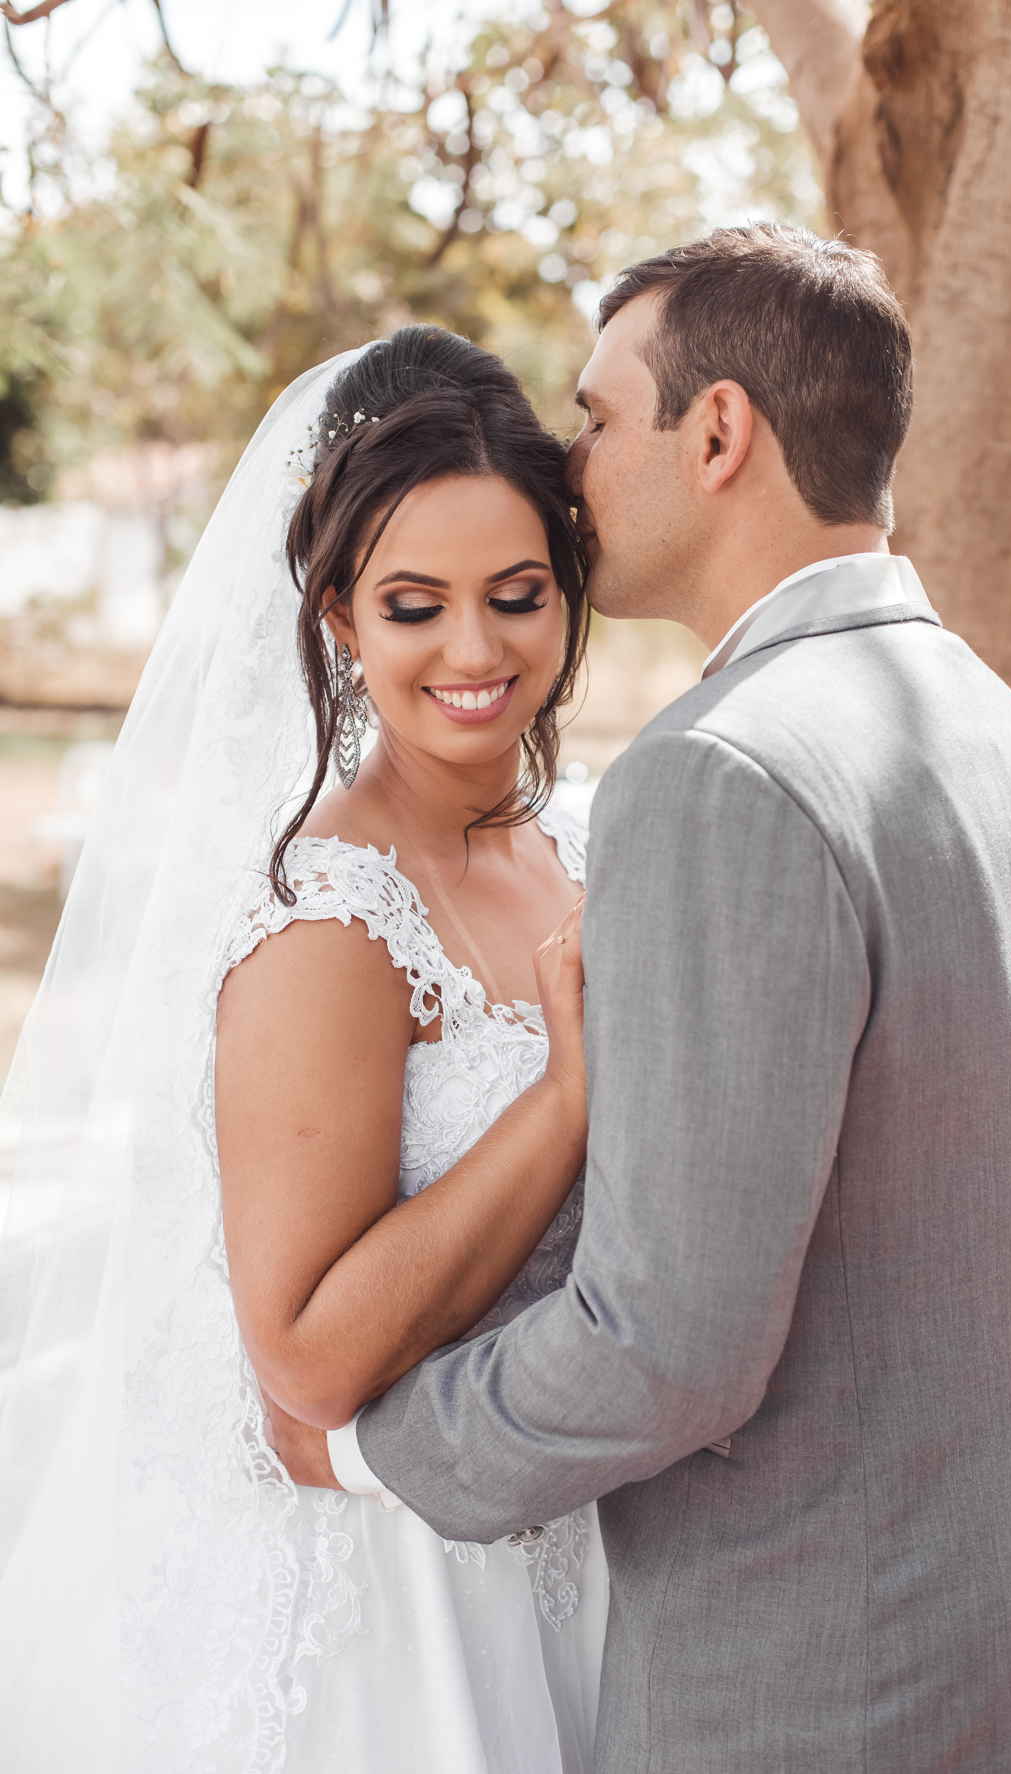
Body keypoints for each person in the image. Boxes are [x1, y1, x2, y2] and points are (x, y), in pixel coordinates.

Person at [272, 225, 1011, 1773]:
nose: (576, 459)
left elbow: (668, 1341)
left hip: (825, 1676)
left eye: (601, 417)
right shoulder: (996, 723)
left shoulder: (718, 772)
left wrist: (366, 1447)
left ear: (721, 432)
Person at [0, 328, 607, 1772]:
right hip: (382, 1604)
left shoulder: (580, 850)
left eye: (518, 596)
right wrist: (574, 1098)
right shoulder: (327, 911)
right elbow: (306, 1359)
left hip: (560, 1533)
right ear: (337, 616)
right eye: (414, 606)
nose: (476, 651)